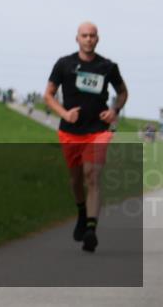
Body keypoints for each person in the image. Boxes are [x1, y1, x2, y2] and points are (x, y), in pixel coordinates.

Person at [43, 22, 128, 253]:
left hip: (98, 130)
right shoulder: (64, 64)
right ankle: (82, 212)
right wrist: (64, 113)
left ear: (97, 39)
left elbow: (122, 92)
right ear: (77, 38)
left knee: (93, 175)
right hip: (70, 132)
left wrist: (114, 111)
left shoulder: (107, 66)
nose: (88, 39)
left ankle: (91, 229)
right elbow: (48, 95)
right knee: (76, 180)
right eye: (84, 35)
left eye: (92, 36)